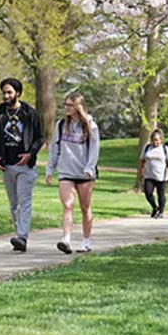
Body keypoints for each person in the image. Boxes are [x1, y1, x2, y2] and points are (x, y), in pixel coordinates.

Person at [0, 78, 44, 252]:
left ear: (18, 93)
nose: (6, 96)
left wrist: (30, 154)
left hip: (25, 166)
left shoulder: (29, 113)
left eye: (9, 92)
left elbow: (40, 137)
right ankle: (19, 237)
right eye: (4, 92)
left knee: (24, 201)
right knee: (14, 204)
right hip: (7, 165)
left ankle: (22, 237)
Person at [45, 92, 100, 254]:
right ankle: (66, 239)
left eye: (70, 105)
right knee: (68, 205)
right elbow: (54, 148)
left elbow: (94, 150)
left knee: (85, 208)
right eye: (66, 105)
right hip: (66, 171)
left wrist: (90, 168)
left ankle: (86, 241)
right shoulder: (61, 125)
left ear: (78, 107)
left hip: (84, 173)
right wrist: (50, 169)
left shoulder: (90, 125)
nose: (67, 108)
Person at [139, 129, 168, 218]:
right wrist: (140, 172)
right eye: (154, 140)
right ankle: (155, 207)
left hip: (162, 176)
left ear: (161, 140)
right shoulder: (147, 148)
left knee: (161, 193)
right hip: (149, 175)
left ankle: (161, 211)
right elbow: (142, 161)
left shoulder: (165, 149)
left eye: (157, 140)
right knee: (148, 192)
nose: (155, 142)